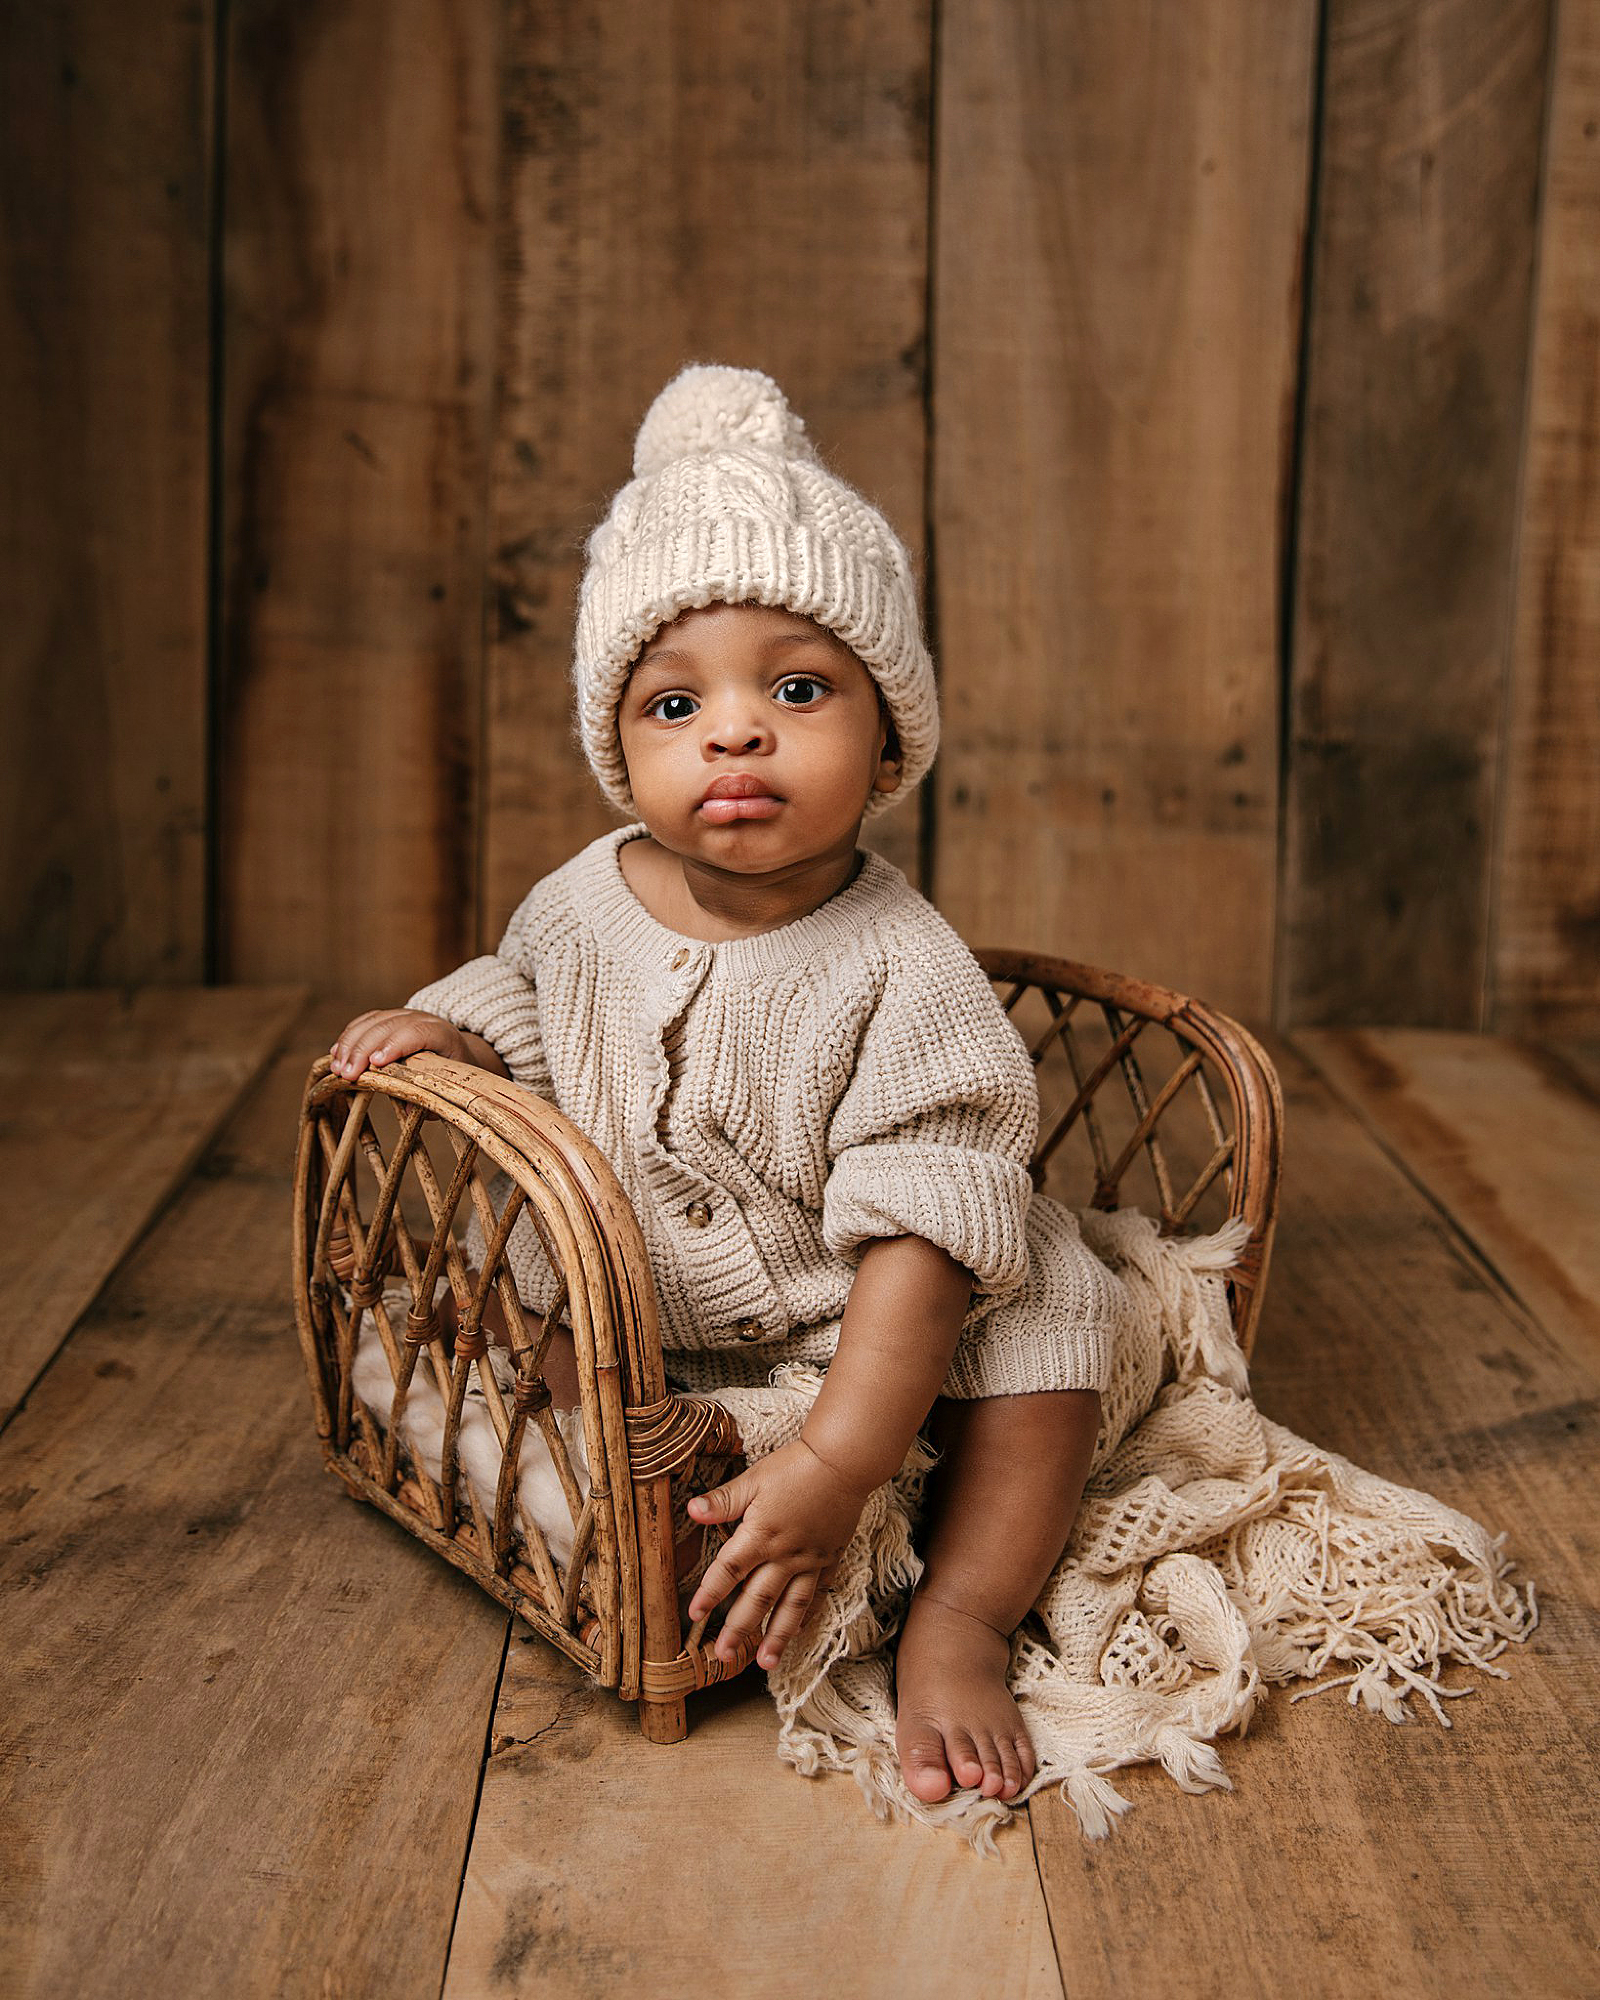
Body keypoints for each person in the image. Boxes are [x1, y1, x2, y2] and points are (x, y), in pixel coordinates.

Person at [329, 364, 1125, 1810]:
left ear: (888, 742)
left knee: (1055, 1335)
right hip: (646, 1284)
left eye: (799, 689)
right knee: (531, 1313)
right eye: (675, 700)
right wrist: (444, 1028)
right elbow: (531, 998)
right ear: (620, 751)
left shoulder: (905, 965)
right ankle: (652, 1453)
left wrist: (835, 1460)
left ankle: (957, 1622)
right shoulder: (583, 899)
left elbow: (925, 1240)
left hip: (871, 1317)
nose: (735, 732)